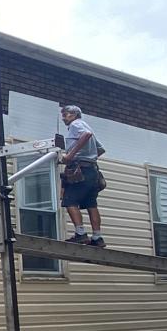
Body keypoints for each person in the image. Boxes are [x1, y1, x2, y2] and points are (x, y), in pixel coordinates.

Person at [58, 104, 106, 246]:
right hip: (92, 171)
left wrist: (71, 155)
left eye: (65, 114)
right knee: (91, 204)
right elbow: (101, 149)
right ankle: (97, 237)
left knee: (69, 200)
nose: (63, 118)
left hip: (81, 170)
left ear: (73, 115)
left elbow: (86, 135)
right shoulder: (87, 125)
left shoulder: (76, 124)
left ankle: (80, 234)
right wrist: (89, 157)